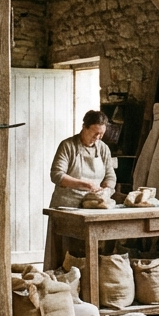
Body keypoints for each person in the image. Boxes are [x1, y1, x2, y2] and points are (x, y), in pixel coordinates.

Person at [43, 110, 117, 269]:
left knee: (87, 252)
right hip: (67, 206)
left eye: (101, 134)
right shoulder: (68, 146)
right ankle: (60, 286)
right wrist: (86, 184)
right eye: (95, 133)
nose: (98, 137)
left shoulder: (103, 148)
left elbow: (110, 175)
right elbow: (56, 175)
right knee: (64, 253)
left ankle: (85, 285)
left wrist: (106, 191)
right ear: (84, 127)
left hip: (92, 207)